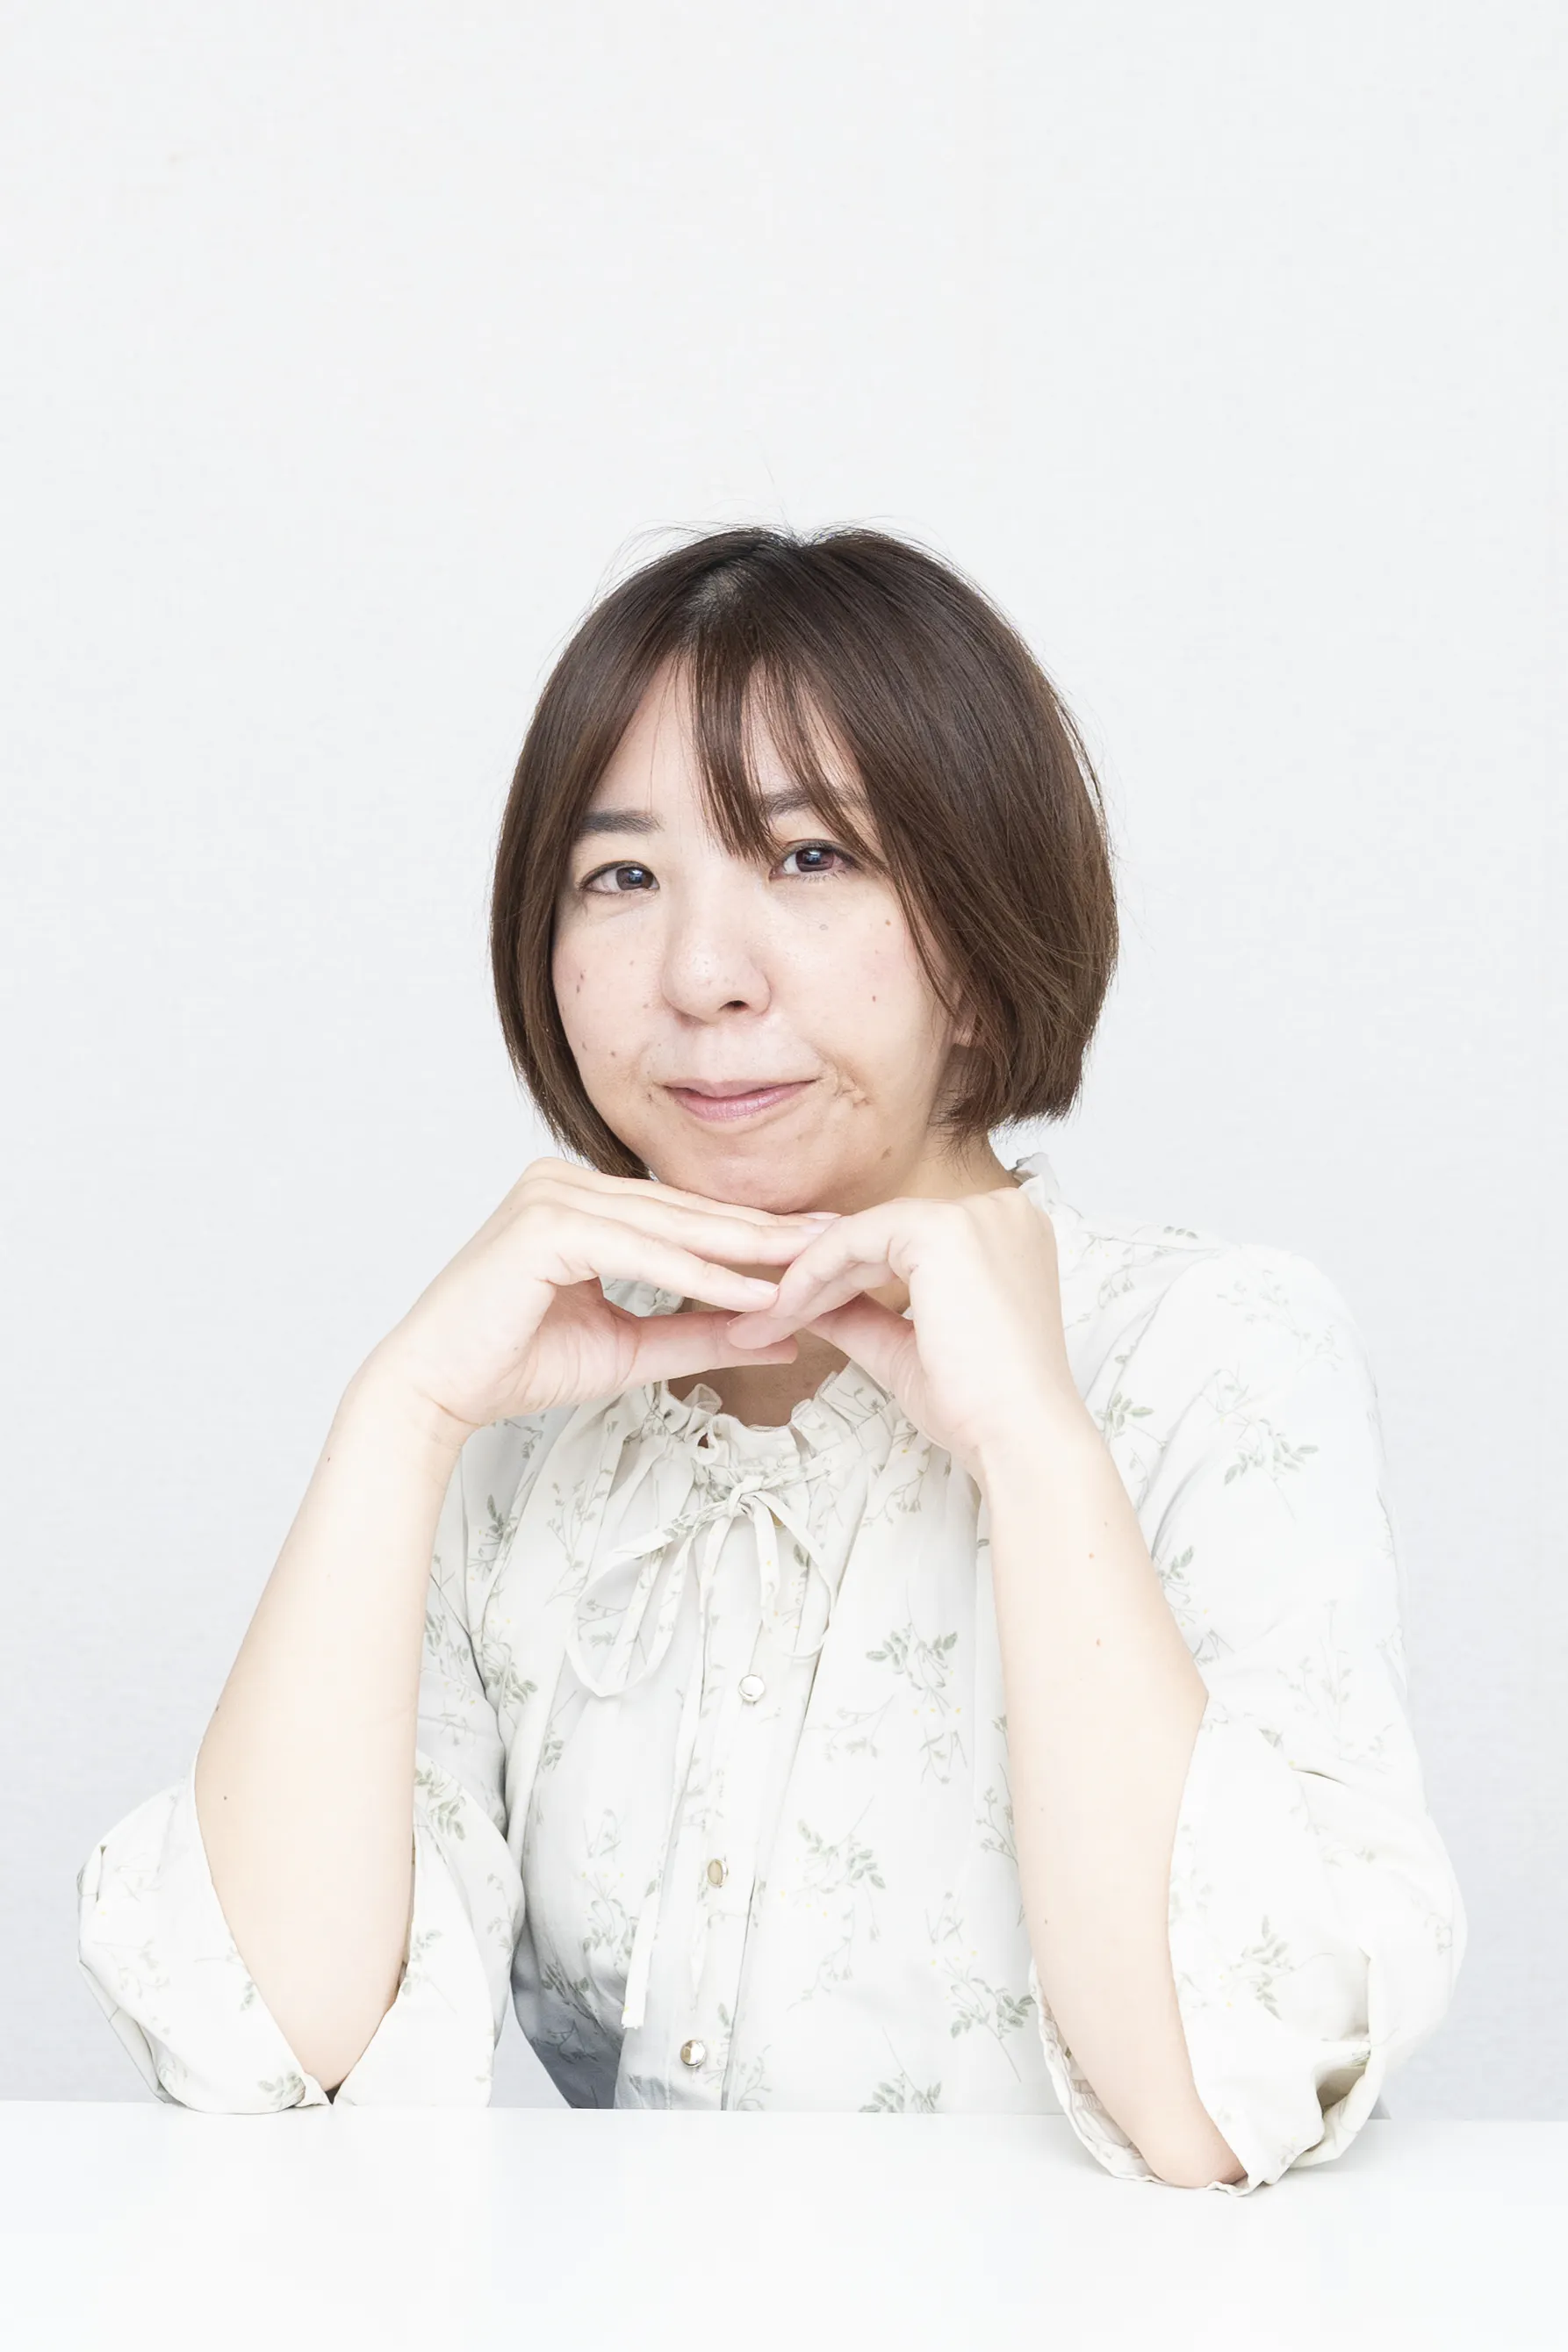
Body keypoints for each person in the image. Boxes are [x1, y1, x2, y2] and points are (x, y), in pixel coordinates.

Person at [76, 524, 1464, 2191]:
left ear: (980, 938)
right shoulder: (532, 1415)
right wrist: (402, 1414)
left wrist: (1033, 1448)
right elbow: (262, 2050)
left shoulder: (1205, 1356)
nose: (699, 977)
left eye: (809, 857)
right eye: (622, 877)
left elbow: (1209, 2109)